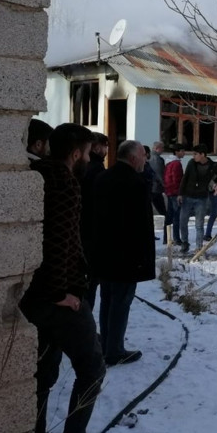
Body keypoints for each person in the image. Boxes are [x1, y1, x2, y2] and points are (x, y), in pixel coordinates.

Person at [18, 123, 106, 433]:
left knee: (42, 375)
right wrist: (61, 294)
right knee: (93, 369)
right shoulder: (64, 182)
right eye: (87, 152)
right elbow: (58, 243)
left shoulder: (35, 175)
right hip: (59, 299)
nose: (88, 158)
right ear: (75, 153)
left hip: (32, 297)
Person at [92, 140, 155, 366]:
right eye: (143, 156)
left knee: (107, 299)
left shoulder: (102, 178)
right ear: (133, 158)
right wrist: (144, 259)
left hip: (104, 253)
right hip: (127, 256)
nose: (145, 160)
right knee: (120, 303)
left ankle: (108, 343)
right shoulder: (135, 183)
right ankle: (114, 350)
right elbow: (142, 226)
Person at [178, 143, 217, 254]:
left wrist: (216, 185)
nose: (193, 156)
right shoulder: (191, 163)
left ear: (202, 155)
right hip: (188, 196)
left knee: (199, 224)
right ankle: (185, 243)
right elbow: (184, 178)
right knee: (183, 221)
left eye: (195, 154)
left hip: (201, 198)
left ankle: (199, 248)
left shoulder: (212, 166)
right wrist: (180, 194)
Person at [80, 132, 108, 309]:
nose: (107, 150)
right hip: (91, 233)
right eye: (106, 146)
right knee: (89, 284)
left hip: (81, 230)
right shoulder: (96, 170)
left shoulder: (81, 167)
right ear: (97, 147)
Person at [163, 143, 186, 245]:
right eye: (182, 151)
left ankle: (166, 237)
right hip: (175, 192)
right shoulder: (176, 164)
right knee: (176, 216)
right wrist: (180, 192)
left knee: (169, 215)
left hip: (169, 191)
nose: (184, 153)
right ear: (177, 152)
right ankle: (176, 238)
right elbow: (177, 179)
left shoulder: (168, 163)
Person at [148, 141, 167, 217]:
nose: (163, 150)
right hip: (156, 187)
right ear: (157, 148)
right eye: (162, 148)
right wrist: (165, 185)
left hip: (152, 187)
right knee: (162, 209)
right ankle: (167, 226)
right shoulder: (157, 159)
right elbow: (159, 173)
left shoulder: (149, 157)